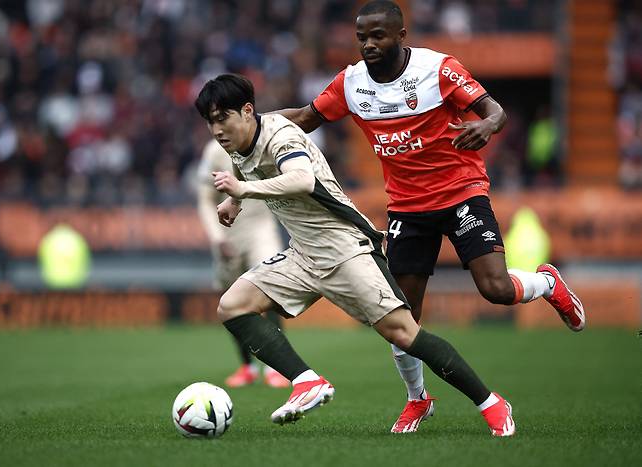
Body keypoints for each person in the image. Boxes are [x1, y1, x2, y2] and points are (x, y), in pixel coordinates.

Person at [274, 0, 586, 433]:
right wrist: (255, 128)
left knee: (495, 288)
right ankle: (417, 400)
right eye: (362, 36)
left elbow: (496, 111)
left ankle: (547, 283)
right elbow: (306, 119)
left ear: (401, 36)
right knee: (400, 314)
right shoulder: (350, 83)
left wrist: (486, 127)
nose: (369, 44)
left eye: (378, 35)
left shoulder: (438, 69)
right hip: (406, 207)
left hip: (461, 193)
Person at [194, 73, 515, 436]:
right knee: (233, 304)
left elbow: (302, 179)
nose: (216, 129)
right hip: (303, 254)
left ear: (248, 111)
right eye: (210, 121)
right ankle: (307, 382)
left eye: (223, 118)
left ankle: (490, 403)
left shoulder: (281, 134)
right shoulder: (237, 144)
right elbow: (244, 163)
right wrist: (234, 201)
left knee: (404, 334)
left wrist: (244, 190)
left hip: (345, 249)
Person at [197, 139, 290, 388]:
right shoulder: (213, 151)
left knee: (269, 288)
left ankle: (276, 367)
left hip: (261, 227)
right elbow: (205, 199)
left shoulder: (264, 142)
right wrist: (216, 238)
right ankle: (247, 366)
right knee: (231, 302)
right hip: (227, 233)